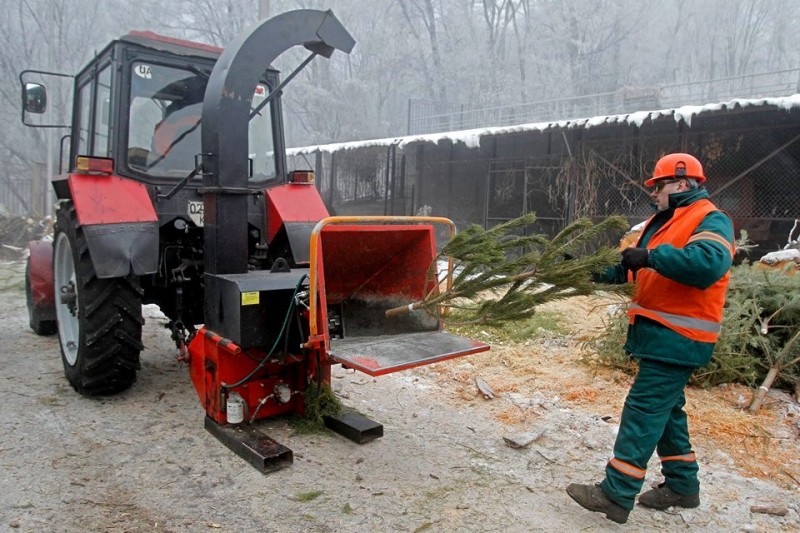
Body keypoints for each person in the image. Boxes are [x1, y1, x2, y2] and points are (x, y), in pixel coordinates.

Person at [566, 153, 735, 524]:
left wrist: (651, 257)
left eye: (657, 187)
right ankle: (683, 486)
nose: (654, 195)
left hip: (680, 336)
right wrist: (580, 269)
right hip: (664, 336)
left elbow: (707, 264)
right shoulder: (664, 224)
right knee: (667, 412)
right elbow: (631, 270)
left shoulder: (710, 219)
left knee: (643, 410)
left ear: (680, 183)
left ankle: (615, 494)